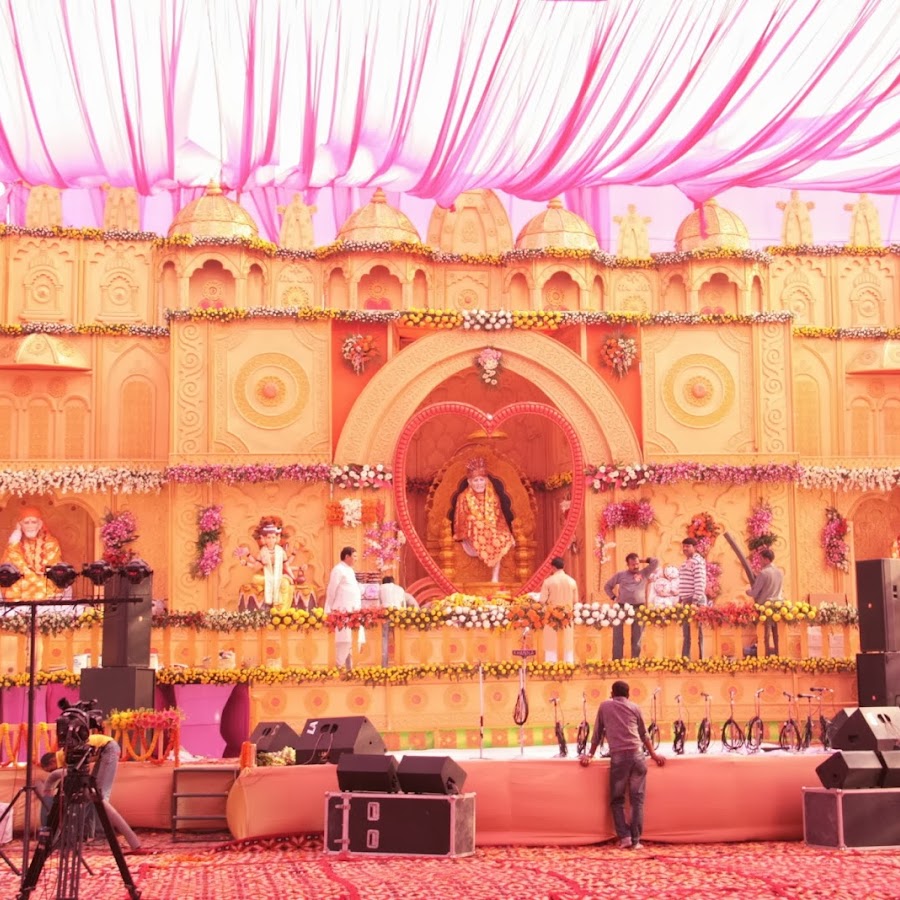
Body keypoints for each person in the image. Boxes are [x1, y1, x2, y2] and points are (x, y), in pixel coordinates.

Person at [579, 680, 665, 850]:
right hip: (638, 756)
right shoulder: (635, 707)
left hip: (619, 758)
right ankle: (636, 840)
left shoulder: (605, 706)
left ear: (612, 694)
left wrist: (590, 755)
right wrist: (654, 755)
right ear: (628, 694)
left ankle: (625, 837)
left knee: (617, 800)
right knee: (637, 801)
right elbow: (644, 734)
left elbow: (597, 733)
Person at [39, 734, 145, 853]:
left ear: (52, 761)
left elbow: (70, 775)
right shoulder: (65, 755)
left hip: (108, 748)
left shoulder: (66, 755)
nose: (52, 771)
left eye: (51, 769)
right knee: (90, 795)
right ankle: (86, 834)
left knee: (100, 796)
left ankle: (102, 835)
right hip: (103, 752)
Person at [451, 457, 515, 582]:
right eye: (475, 480)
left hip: (491, 534)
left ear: (486, 480)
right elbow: (461, 520)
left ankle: (495, 576)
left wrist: (507, 534)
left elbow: (499, 519)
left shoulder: (494, 497)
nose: (479, 483)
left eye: (481, 479)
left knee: (502, 537)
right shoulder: (463, 497)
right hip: (471, 536)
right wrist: (476, 522)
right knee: (474, 520)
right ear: (469, 482)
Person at [1, 506, 63, 600]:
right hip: (21, 586)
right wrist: (14, 542)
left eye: (34, 522)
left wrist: (34, 580)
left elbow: (52, 570)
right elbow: (11, 568)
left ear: (40, 524)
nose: (30, 526)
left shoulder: (51, 543)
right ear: (20, 525)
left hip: (45, 585)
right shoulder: (15, 543)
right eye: (26, 522)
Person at [604, 554, 659, 659]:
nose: (636, 566)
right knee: (618, 635)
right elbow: (607, 586)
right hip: (622, 607)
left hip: (639, 607)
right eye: (633, 564)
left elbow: (656, 562)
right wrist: (613, 597)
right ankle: (617, 660)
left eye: (637, 564)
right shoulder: (620, 575)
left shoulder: (644, 573)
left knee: (637, 636)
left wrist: (641, 560)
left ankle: (635, 660)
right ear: (627, 565)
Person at [243, 518, 296, 609]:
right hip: (266, 576)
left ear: (277, 538)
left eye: (273, 537)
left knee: (284, 583)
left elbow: (286, 566)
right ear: (264, 539)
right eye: (269, 537)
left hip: (278, 576)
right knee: (255, 578)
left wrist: (293, 577)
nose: (271, 540)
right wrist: (261, 564)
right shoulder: (262, 552)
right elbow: (255, 568)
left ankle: (281, 609)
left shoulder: (281, 551)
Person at [324, 546, 363, 669]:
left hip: (353, 613)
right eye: (354, 556)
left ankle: (350, 669)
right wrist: (330, 608)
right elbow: (332, 590)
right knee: (344, 641)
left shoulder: (350, 570)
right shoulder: (338, 569)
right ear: (347, 556)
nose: (356, 559)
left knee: (354, 641)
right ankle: (337, 667)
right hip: (342, 612)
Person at [746, 547, 784, 656]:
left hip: (765, 607)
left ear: (766, 559)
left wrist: (747, 591)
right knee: (776, 634)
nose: (760, 562)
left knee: (764, 634)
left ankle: (765, 656)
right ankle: (778, 654)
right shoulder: (779, 572)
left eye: (761, 559)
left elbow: (754, 592)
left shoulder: (764, 573)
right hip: (778, 606)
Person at [539, 556, 577, 663]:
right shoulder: (572, 581)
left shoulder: (548, 581)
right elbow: (575, 600)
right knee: (567, 641)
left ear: (553, 567)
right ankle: (568, 664)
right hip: (567, 617)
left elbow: (542, 600)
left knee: (551, 641)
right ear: (563, 566)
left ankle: (551, 664)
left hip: (551, 617)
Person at [378, 576, 418, 667]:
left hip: (385, 614)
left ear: (383, 582)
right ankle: (400, 664)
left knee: (384, 638)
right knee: (398, 638)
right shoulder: (400, 589)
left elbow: (378, 603)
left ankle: (384, 665)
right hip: (399, 614)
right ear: (393, 582)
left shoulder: (381, 588)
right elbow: (403, 604)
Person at [678, 538, 708, 658]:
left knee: (696, 631)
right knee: (687, 632)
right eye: (684, 546)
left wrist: (695, 602)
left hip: (695, 600)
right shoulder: (686, 562)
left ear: (694, 547)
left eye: (688, 546)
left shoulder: (697, 561)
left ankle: (698, 659)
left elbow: (700, 583)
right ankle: (686, 659)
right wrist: (681, 598)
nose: (685, 548)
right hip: (687, 600)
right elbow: (683, 582)